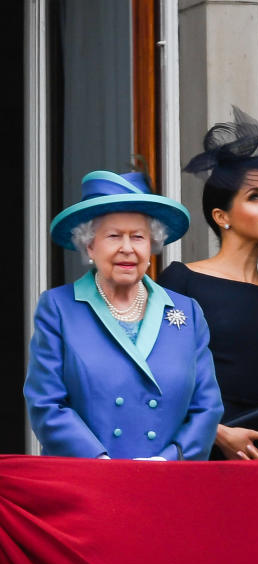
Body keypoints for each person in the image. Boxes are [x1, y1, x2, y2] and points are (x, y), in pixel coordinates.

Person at [24, 170, 223, 459]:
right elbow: (46, 403)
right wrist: (102, 463)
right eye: (114, 236)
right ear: (90, 245)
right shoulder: (58, 308)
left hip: (167, 481)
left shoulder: (186, 312)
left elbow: (207, 406)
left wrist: (168, 459)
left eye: (138, 237)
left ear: (151, 245)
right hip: (88, 481)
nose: (127, 249)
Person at [159, 107, 258, 461]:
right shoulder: (182, 281)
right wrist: (217, 433)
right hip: (193, 459)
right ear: (222, 217)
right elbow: (157, 381)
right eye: (255, 197)